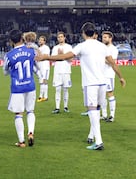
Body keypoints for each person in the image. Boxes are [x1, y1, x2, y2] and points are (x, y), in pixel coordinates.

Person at [36, 22, 126, 150]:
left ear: (83, 33)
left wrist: (47, 57)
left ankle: (99, 141)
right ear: (94, 33)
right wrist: (121, 77)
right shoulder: (102, 46)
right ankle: (91, 135)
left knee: (92, 110)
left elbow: (65, 57)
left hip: (91, 83)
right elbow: (113, 63)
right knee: (96, 110)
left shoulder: (82, 46)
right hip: (102, 82)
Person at [3, 30, 37, 148]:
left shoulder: (9, 55)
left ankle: (21, 141)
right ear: (22, 38)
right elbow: (36, 69)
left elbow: (5, 72)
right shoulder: (31, 52)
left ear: (11, 41)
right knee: (30, 111)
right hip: (30, 85)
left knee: (19, 114)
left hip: (17, 87)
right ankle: (31, 132)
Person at [51, 32, 73, 114]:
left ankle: (65, 107)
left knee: (65, 89)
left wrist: (63, 55)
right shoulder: (55, 48)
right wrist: (58, 55)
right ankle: (57, 107)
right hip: (57, 71)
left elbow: (71, 60)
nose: (60, 38)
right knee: (57, 89)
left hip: (66, 71)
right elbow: (52, 59)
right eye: (58, 37)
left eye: (61, 37)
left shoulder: (69, 47)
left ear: (64, 38)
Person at [100, 31, 119, 122]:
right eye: (103, 37)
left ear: (110, 38)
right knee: (101, 95)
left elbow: (112, 62)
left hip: (109, 75)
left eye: (105, 37)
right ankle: (104, 115)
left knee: (109, 94)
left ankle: (112, 115)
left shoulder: (113, 49)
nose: (104, 39)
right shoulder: (101, 48)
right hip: (100, 74)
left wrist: (102, 59)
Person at [37, 35, 50, 102]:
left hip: (45, 66)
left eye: (41, 40)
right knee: (41, 82)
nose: (40, 41)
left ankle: (43, 96)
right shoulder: (39, 48)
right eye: (39, 39)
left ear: (44, 41)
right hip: (40, 67)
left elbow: (46, 56)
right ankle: (42, 96)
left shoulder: (46, 48)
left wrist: (39, 56)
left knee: (44, 81)